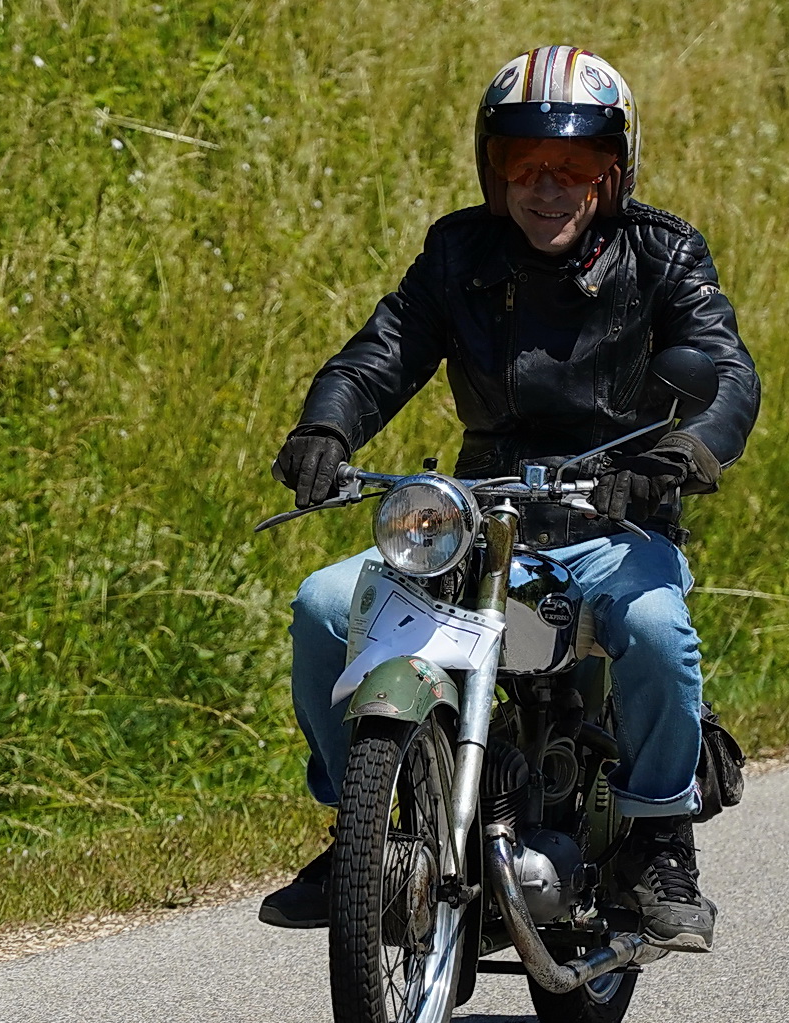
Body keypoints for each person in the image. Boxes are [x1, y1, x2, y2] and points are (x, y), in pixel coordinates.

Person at [259, 46, 760, 953]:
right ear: (493, 170)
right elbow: (383, 353)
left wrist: (684, 450)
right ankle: (359, 837)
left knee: (653, 630)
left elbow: (725, 371)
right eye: (523, 164)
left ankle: (658, 839)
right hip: (481, 522)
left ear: (614, 169)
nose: (548, 187)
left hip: (616, 515)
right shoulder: (460, 253)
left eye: (572, 167)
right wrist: (326, 427)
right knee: (325, 605)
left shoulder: (665, 251)